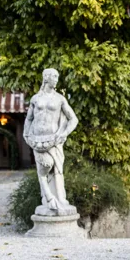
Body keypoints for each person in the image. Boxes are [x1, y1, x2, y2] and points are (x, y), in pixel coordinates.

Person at [23, 68, 78, 215]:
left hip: (54, 140)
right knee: (46, 165)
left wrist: (64, 133)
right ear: (46, 78)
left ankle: (59, 199)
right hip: (37, 140)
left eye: (57, 76)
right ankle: (48, 197)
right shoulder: (35, 99)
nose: (56, 79)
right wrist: (26, 135)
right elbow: (29, 119)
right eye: (54, 76)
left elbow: (73, 119)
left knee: (57, 169)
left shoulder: (60, 99)